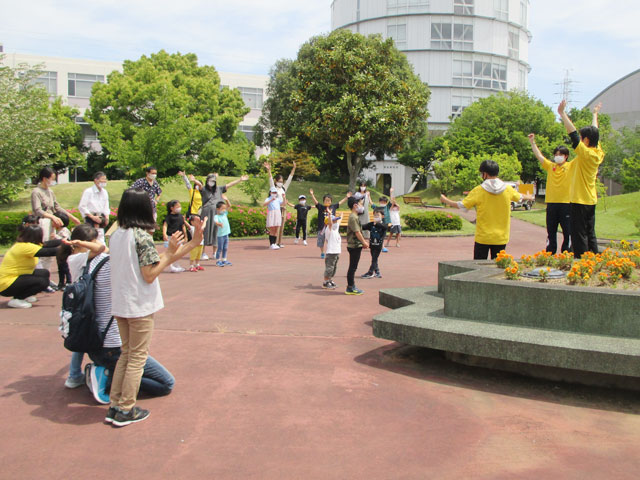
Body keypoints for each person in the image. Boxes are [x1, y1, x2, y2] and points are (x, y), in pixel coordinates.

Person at [107, 188, 206, 427]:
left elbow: (162, 259)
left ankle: (115, 405)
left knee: (127, 354)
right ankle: (126, 409)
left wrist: (192, 243)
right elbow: (151, 273)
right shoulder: (141, 236)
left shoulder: (117, 235)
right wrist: (172, 252)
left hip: (122, 303)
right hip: (139, 304)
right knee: (137, 357)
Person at [58, 224, 175, 406]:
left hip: (91, 336)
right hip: (111, 344)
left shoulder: (75, 261)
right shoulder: (104, 263)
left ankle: (76, 374)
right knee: (163, 382)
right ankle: (107, 376)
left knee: (84, 329)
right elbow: (145, 270)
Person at [440, 160, 534, 260]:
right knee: (497, 268)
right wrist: (529, 197)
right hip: (501, 237)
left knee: (479, 268)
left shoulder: (479, 190)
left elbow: (462, 205)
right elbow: (520, 197)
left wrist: (446, 200)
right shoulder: (508, 189)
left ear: (484, 174)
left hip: (483, 237)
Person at [557, 100, 605, 259]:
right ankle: (594, 258)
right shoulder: (597, 151)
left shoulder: (586, 154)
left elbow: (573, 134)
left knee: (578, 233)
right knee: (590, 232)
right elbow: (594, 131)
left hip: (579, 199)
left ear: (585, 141)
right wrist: (594, 114)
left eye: (583, 138)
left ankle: (581, 260)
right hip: (591, 199)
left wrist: (562, 114)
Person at [31, 167, 79, 286]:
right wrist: (51, 217)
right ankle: (40, 278)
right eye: (52, 179)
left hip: (51, 224)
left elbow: (57, 207)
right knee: (43, 250)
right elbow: (37, 210)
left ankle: (45, 277)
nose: (53, 181)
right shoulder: (36, 192)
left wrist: (72, 217)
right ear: (44, 178)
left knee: (49, 254)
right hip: (42, 222)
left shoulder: (50, 192)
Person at [528, 134, 574, 253]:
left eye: (561, 155)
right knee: (551, 230)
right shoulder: (550, 166)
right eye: (556, 154)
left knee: (567, 231)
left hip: (566, 203)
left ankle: (566, 252)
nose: (558, 157)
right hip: (552, 203)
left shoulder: (571, 166)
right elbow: (539, 156)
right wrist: (533, 142)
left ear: (566, 156)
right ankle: (550, 252)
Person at [0, 225, 59, 308]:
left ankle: (24, 295)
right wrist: (69, 247)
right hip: (6, 285)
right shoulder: (25, 247)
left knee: (44, 273)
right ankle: (18, 299)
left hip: (13, 279)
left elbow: (47, 244)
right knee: (43, 282)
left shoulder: (24, 244)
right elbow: (49, 252)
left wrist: (66, 241)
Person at [200, 173, 248, 259]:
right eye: (210, 181)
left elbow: (229, 185)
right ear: (207, 181)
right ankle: (202, 253)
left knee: (216, 231)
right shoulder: (203, 189)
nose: (212, 182)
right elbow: (199, 185)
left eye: (213, 181)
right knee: (205, 231)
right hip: (207, 213)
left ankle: (214, 252)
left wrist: (240, 180)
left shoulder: (219, 189)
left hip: (217, 213)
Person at [309, 189, 350, 259]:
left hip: (330, 227)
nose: (327, 201)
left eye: (329, 200)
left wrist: (347, 197)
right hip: (322, 227)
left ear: (331, 201)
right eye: (326, 200)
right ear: (323, 201)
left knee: (330, 240)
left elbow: (340, 202)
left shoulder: (333, 207)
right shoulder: (321, 207)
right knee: (321, 241)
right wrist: (312, 194)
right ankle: (322, 252)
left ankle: (329, 251)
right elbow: (315, 202)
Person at [265, 161, 296, 247]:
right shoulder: (273, 188)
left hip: (283, 208)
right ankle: (273, 243)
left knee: (281, 226)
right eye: (279, 181)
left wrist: (294, 168)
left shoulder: (283, 188)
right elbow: (270, 179)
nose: (281, 182)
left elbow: (290, 178)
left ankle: (279, 242)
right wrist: (269, 170)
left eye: (282, 181)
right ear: (276, 181)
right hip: (276, 209)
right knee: (275, 226)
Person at [345, 196, 369, 295]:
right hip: (354, 245)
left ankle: (351, 286)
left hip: (355, 245)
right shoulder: (353, 217)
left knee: (353, 267)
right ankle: (350, 287)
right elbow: (357, 232)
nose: (361, 206)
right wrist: (364, 242)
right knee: (353, 267)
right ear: (355, 205)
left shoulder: (355, 216)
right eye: (360, 204)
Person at [78, 171, 110, 244]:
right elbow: (82, 206)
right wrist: (92, 217)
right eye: (102, 179)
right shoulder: (88, 191)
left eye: (105, 179)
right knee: (91, 238)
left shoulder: (104, 192)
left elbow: (106, 206)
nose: (104, 181)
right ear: (96, 180)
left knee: (101, 239)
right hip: (91, 218)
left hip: (101, 218)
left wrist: (107, 217)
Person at [162, 200, 188, 273]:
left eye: (180, 206)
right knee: (171, 252)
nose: (179, 208)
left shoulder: (180, 216)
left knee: (179, 252)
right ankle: (171, 266)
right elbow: (165, 225)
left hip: (179, 237)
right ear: (172, 208)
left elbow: (183, 226)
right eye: (177, 207)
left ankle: (176, 265)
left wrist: (185, 236)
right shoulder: (169, 217)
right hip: (171, 237)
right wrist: (164, 234)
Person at [361, 211, 388, 279]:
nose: (376, 217)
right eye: (375, 216)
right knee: (374, 259)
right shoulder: (371, 224)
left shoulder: (384, 225)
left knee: (374, 259)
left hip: (378, 245)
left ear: (382, 216)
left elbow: (383, 227)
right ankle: (377, 272)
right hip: (372, 245)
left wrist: (376, 223)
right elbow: (363, 227)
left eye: (378, 215)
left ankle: (370, 272)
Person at [322, 210, 342, 289]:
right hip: (331, 252)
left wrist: (340, 215)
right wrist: (330, 215)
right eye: (334, 221)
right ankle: (326, 281)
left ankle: (330, 280)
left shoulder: (335, 229)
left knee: (334, 267)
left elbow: (339, 221)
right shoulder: (328, 230)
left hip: (336, 252)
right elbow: (330, 223)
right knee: (329, 267)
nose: (336, 222)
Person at [214, 201, 232, 267]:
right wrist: (219, 224)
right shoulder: (216, 216)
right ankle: (218, 261)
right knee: (220, 248)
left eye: (224, 208)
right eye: (222, 208)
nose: (224, 210)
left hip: (226, 234)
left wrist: (227, 200)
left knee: (225, 248)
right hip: (220, 235)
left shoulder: (224, 214)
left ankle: (224, 260)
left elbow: (229, 205)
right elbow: (215, 222)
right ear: (218, 209)